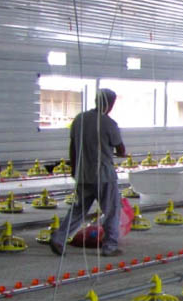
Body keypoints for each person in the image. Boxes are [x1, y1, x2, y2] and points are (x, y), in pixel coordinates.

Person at [52, 89, 127, 257]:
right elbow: (120, 148)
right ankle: (110, 246)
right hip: (104, 175)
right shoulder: (109, 123)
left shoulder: (80, 119)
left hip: (83, 173)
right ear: (111, 103)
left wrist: (74, 168)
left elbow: (73, 146)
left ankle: (59, 238)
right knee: (112, 210)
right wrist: (120, 153)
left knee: (78, 209)